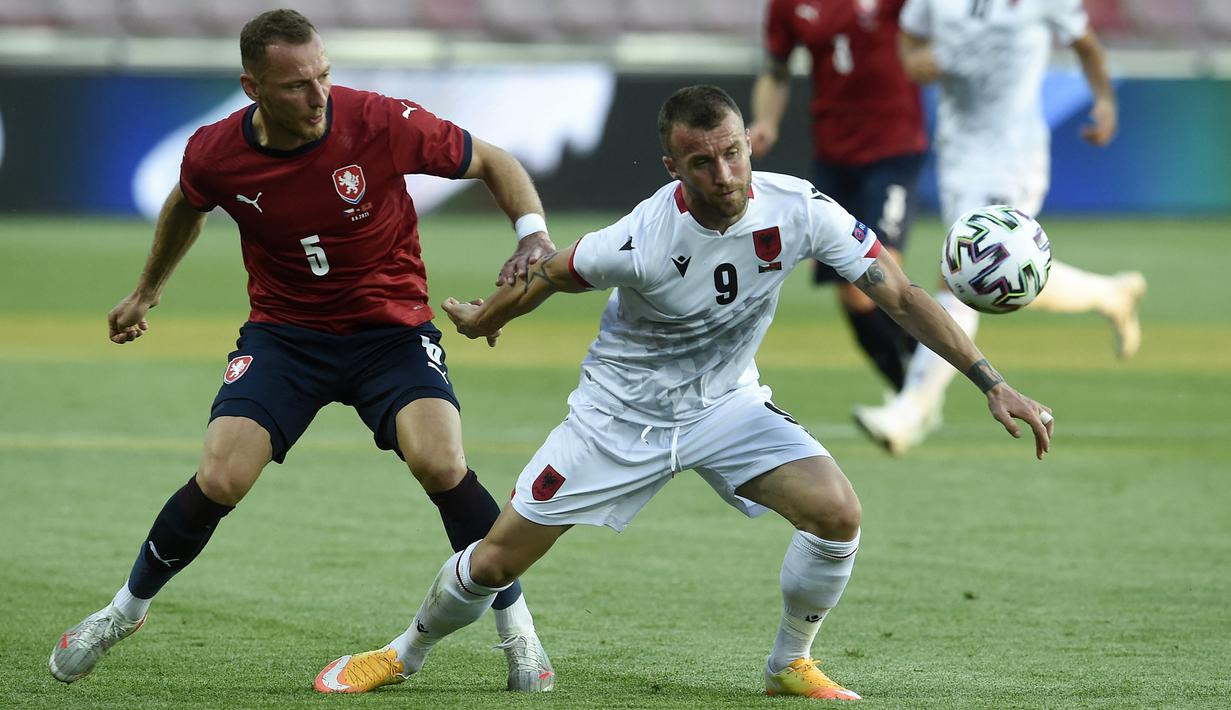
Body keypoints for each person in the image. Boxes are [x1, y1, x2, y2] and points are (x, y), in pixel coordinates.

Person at [315, 85, 1054, 700]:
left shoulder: (800, 209)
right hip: (618, 419)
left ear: (749, 144)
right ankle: (403, 653)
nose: (724, 174)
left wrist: (992, 383)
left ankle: (789, 663)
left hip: (726, 406)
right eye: (702, 162)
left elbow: (900, 295)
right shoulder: (640, 237)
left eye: (733, 153)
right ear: (674, 167)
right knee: (495, 562)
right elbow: (552, 273)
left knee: (837, 515)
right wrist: (487, 318)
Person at [49, 9, 555, 693]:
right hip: (286, 335)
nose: (318, 96)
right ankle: (122, 613)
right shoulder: (215, 152)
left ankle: (518, 631)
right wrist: (146, 291)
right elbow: (188, 203)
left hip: (390, 333)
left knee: (441, 462)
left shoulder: (379, 121)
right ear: (252, 87)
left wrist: (531, 234)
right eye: (296, 85)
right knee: (220, 477)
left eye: (323, 76)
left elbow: (494, 160)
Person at [852, 0, 1147, 455]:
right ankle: (1109, 295)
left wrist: (1105, 101)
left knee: (963, 275)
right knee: (999, 277)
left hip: (1013, 154)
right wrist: (916, 62)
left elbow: (1085, 44)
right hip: (958, 151)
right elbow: (909, 44)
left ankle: (911, 411)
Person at [750, 0, 927, 393]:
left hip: (894, 147)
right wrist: (766, 120)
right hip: (834, 155)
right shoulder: (788, 5)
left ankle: (915, 399)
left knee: (878, 274)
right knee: (853, 294)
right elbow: (776, 69)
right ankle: (911, 392)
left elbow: (930, 30)